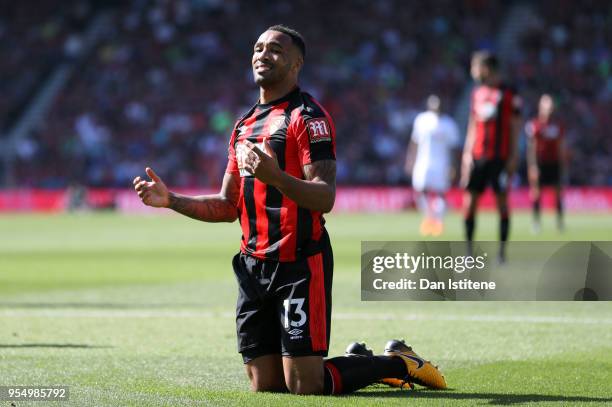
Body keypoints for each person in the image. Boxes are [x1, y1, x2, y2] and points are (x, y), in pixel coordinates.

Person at [132, 25, 446, 395]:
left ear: (297, 64)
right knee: (265, 386)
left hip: (299, 263)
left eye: (276, 49)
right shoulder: (243, 126)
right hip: (253, 266)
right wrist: (172, 201)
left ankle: (397, 362)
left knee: (304, 386)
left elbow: (324, 195)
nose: (263, 54)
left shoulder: (308, 118)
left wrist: (277, 177)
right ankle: (358, 361)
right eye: (258, 47)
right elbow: (228, 205)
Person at [460, 51, 521, 263]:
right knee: (469, 203)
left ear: (486, 68)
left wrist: (514, 156)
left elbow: (515, 126)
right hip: (477, 157)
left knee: (502, 204)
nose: (472, 71)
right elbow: (472, 125)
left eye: (474, 67)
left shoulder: (508, 93)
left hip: (500, 159)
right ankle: (468, 252)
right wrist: (466, 155)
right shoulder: (476, 93)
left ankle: (502, 254)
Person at [405, 95, 460, 236]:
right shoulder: (421, 120)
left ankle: (438, 222)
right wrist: (410, 160)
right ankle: (429, 219)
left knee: (440, 193)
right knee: (420, 190)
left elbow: (454, 148)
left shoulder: (448, 124)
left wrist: (454, 166)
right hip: (422, 162)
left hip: (442, 164)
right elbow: (414, 142)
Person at [525, 94, 566, 233]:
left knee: (558, 193)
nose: (549, 109)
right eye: (547, 105)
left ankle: (560, 222)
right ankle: (536, 222)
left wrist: (563, 164)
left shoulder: (558, 126)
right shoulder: (535, 125)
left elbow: (561, 146)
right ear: (541, 107)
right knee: (536, 193)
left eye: (551, 106)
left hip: (554, 163)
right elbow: (532, 148)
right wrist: (533, 166)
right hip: (540, 163)